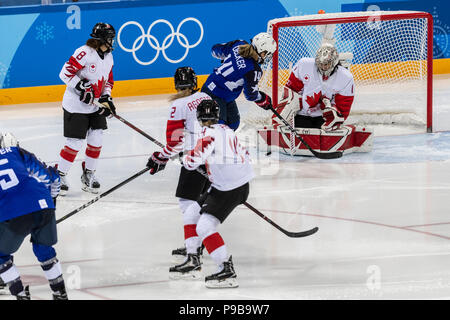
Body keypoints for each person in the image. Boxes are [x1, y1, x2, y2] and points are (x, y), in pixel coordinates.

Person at [168, 100, 254, 288]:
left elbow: (192, 162)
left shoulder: (208, 134)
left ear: (198, 118)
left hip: (229, 188)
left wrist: (185, 159)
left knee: (204, 227)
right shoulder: (226, 130)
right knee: (191, 213)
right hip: (230, 184)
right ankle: (193, 259)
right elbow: (242, 155)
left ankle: (225, 269)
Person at [146, 66, 211, 263]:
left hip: (195, 158)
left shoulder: (178, 105)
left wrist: (160, 157)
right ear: (194, 83)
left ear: (176, 84)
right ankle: (197, 243)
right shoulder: (205, 97)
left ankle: (195, 247)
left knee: (187, 202)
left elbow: (176, 142)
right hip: (212, 156)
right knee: (199, 201)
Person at [0, 132, 68, 300]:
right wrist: (50, 204)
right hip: (42, 202)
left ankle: (21, 295)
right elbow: (52, 177)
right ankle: (60, 293)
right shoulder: (17, 152)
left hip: (12, 210)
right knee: (44, 249)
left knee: (0, 255)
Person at [57, 22, 117, 196]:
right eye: (111, 38)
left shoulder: (109, 56)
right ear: (103, 38)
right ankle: (59, 175)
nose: (113, 41)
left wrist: (107, 97)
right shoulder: (84, 52)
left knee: (96, 138)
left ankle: (88, 174)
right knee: (74, 142)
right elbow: (64, 73)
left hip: (94, 105)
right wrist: (81, 86)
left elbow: (109, 81)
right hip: (75, 105)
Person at [201, 32, 277, 130]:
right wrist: (263, 99)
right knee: (218, 128)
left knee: (233, 123)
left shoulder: (239, 44)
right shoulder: (253, 70)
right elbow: (250, 95)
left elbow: (215, 50)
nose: (268, 57)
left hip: (223, 95)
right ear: (263, 52)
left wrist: (229, 59)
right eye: (268, 54)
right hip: (213, 94)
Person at [274, 43, 354, 131]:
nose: (323, 67)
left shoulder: (345, 77)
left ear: (334, 62)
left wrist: (334, 115)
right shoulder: (304, 65)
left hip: (323, 119)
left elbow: (343, 107)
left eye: (326, 64)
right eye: (320, 63)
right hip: (301, 115)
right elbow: (292, 90)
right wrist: (286, 109)